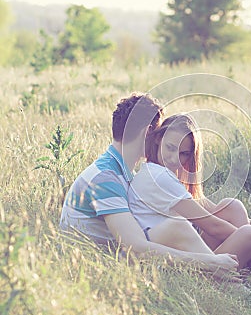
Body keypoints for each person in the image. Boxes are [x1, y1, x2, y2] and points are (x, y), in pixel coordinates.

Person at [60, 92, 240, 280]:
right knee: (177, 227)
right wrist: (209, 263)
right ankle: (228, 280)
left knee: (202, 218)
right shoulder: (106, 178)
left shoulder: (120, 172)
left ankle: (241, 264)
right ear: (147, 132)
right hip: (92, 267)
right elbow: (135, 248)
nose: (158, 140)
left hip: (104, 257)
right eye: (157, 133)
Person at [131, 113, 251, 280]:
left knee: (232, 207)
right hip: (182, 266)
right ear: (158, 139)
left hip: (190, 255)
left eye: (183, 153)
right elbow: (214, 226)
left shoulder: (153, 171)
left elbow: (209, 209)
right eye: (170, 147)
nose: (174, 158)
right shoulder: (160, 177)